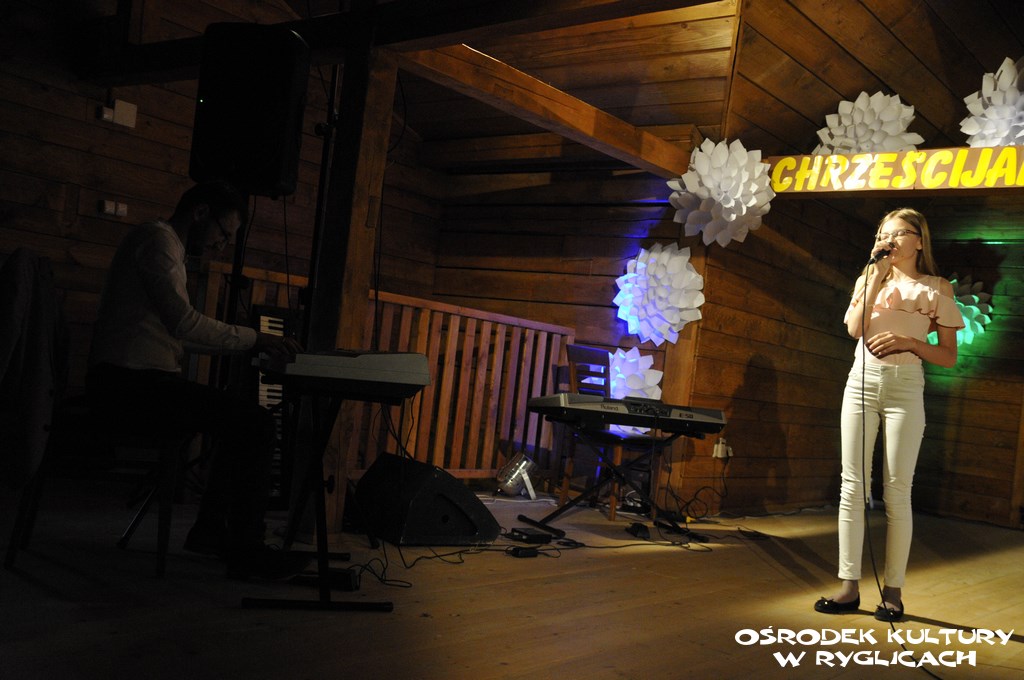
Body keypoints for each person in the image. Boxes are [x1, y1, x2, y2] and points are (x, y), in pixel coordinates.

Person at [87, 181, 306, 580]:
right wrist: (256, 338)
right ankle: (247, 551)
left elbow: (179, 334)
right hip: (128, 386)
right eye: (224, 234)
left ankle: (211, 531)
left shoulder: (162, 244)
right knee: (255, 423)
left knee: (238, 418)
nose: (223, 245)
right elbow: (185, 324)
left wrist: (249, 344)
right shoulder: (158, 242)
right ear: (201, 213)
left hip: (132, 382)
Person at [814, 208, 963, 622]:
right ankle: (848, 587)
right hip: (861, 382)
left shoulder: (936, 288)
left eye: (899, 233)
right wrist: (875, 276)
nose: (889, 240)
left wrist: (910, 343)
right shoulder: (869, 278)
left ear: (919, 241)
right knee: (852, 486)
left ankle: (893, 592)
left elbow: (948, 356)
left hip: (905, 386)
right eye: (883, 233)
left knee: (897, 490)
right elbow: (854, 330)